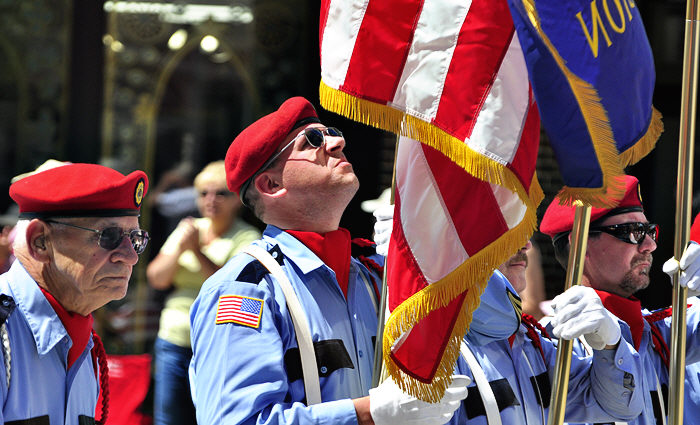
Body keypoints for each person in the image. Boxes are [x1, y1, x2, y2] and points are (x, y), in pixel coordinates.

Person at [189, 97, 469, 425]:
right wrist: (368, 414)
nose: (337, 142)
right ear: (271, 185)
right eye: (312, 141)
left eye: (330, 132)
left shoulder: (378, 276)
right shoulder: (244, 291)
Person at [372, 213, 644, 424]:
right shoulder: (436, 343)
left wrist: (610, 345)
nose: (526, 245)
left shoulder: (532, 342)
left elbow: (617, 407)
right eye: (503, 234)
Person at [540, 174, 700, 424]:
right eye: (634, 232)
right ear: (580, 245)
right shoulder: (549, 348)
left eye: (649, 231)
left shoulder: (668, 331)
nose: (650, 245)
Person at [1, 163, 150, 424]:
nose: (131, 257)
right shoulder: (5, 333)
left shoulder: (81, 339)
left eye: (135, 238)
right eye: (110, 236)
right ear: (40, 241)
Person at [147, 160, 261, 425]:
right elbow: (157, 278)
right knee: (168, 420)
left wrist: (195, 251)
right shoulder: (188, 228)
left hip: (218, 343)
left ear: (237, 199)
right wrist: (180, 248)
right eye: (203, 193)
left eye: (221, 193)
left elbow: (232, 287)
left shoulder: (248, 237)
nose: (211, 200)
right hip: (173, 338)